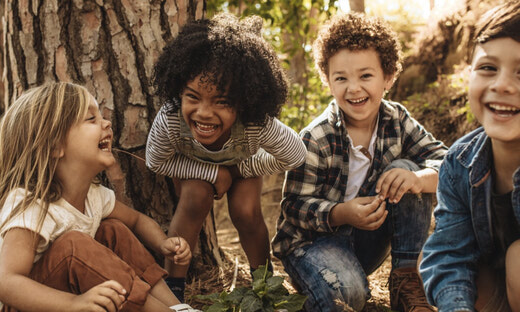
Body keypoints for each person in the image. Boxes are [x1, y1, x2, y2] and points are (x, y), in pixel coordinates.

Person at [272, 12, 448, 312]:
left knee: (407, 171)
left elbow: (448, 162)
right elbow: (294, 207)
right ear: (328, 81)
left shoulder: (396, 119)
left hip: (367, 241)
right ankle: (316, 291)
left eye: (366, 76)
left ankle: (406, 278)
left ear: (388, 77)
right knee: (348, 298)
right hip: (313, 245)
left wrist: (420, 179)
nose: (353, 88)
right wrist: (341, 213)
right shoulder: (316, 137)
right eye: (341, 78)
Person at [145, 13, 307, 301]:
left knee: (246, 211)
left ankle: (264, 284)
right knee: (195, 197)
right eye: (193, 97)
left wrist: (243, 167)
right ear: (179, 91)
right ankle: (173, 290)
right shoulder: (171, 118)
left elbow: (294, 154)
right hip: (193, 168)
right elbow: (156, 161)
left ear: (244, 103)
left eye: (222, 102)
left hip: (242, 165)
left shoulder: (256, 124)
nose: (204, 112)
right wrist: (212, 173)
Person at [0, 82, 201, 312]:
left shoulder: (94, 197)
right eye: (91, 119)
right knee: (74, 245)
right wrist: (73, 304)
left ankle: (178, 308)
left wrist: (162, 242)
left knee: (113, 229)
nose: (106, 123)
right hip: (30, 306)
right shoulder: (31, 206)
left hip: (78, 299)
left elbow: (136, 221)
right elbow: (6, 283)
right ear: (55, 146)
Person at [420, 2, 520, 311]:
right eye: (488, 67)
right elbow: (449, 256)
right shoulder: (460, 162)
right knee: (459, 275)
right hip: (500, 281)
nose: (501, 84)